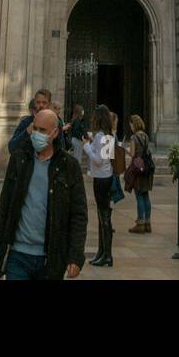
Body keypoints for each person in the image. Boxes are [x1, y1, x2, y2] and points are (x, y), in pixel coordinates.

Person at [0, 106, 87, 281]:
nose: (36, 134)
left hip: (50, 258)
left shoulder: (69, 166)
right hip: (17, 256)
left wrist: (75, 255)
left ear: (55, 133)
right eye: (35, 129)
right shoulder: (19, 159)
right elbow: (4, 207)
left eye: (43, 130)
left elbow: (79, 215)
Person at [83, 104, 116, 268]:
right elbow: (108, 159)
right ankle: (103, 252)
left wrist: (87, 147)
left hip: (100, 179)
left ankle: (106, 255)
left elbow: (98, 160)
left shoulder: (99, 137)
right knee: (104, 216)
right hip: (107, 176)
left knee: (103, 217)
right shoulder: (110, 136)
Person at [126, 114, 154, 234]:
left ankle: (140, 223)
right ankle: (148, 222)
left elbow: (133, 154)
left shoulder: (134, 137)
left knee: (139, 196)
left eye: (130, 124)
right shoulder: (146, 136)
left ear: (134, 124)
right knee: (146, 195)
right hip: (147, 168)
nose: (130, 126)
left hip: (138, 168)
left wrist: (125, 150)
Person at [8, 88, 52, 154]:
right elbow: (11, 148)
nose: (41, 105)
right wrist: (26, 132)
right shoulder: (26, 122)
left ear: (49, 104)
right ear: (35, 103)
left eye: (44, 102)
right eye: (38, 102)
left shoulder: (55, 123)